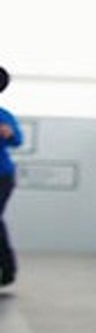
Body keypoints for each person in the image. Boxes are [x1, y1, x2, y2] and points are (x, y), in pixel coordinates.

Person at [0, 66, 19, 288]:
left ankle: (7, 270)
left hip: (2, 177)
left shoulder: (4, 115)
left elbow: (17, 140)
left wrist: (9, 133)